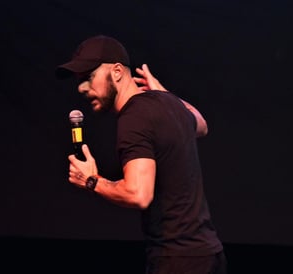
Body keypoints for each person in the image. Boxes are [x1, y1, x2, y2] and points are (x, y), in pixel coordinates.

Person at [56, 35, 226, 274]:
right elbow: (201, 124)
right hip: (209, 255)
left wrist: (91, 181)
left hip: (176, 261)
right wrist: (163, 92)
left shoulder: (134, 117)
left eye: (89, 77)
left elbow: (138, 195)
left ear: (116, 71)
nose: (81, 88)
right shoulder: (166, 104)